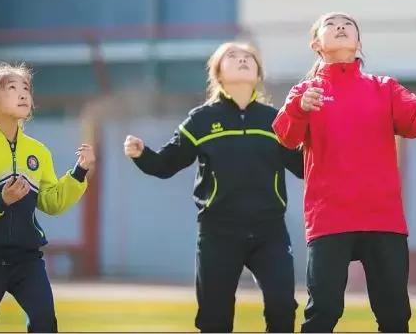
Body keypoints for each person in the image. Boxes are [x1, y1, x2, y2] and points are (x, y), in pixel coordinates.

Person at [272, 12, 416, 333]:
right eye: (331, 25)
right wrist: (298, 109)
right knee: (323, 312)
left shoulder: (384, 88)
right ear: (316, 44)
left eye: (348, 25)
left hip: (383, 217)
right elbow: (285, 136)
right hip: (330, 218)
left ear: (358, 43)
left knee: (395, 315)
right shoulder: (305, 92)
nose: (340, 27)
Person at [123, 42, 303, 333]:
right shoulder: (201, 119)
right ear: (217, 73)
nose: (242, 60)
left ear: (258, 73)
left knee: (283, 307)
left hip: (270, 232)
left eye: (249, 58)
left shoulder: (276, 120)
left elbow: (303, 166)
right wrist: (142, 154)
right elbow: (166, 165)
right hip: (218, 232)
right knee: (214, 318)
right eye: (232, 56)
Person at [0, 62, 94, 333]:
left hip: (27, 261)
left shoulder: (38, 152)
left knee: (44, 324)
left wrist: (79, 172)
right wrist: (0, 200)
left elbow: (52, 202)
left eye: (26, 88)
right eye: (12, 88)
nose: (23, 94)